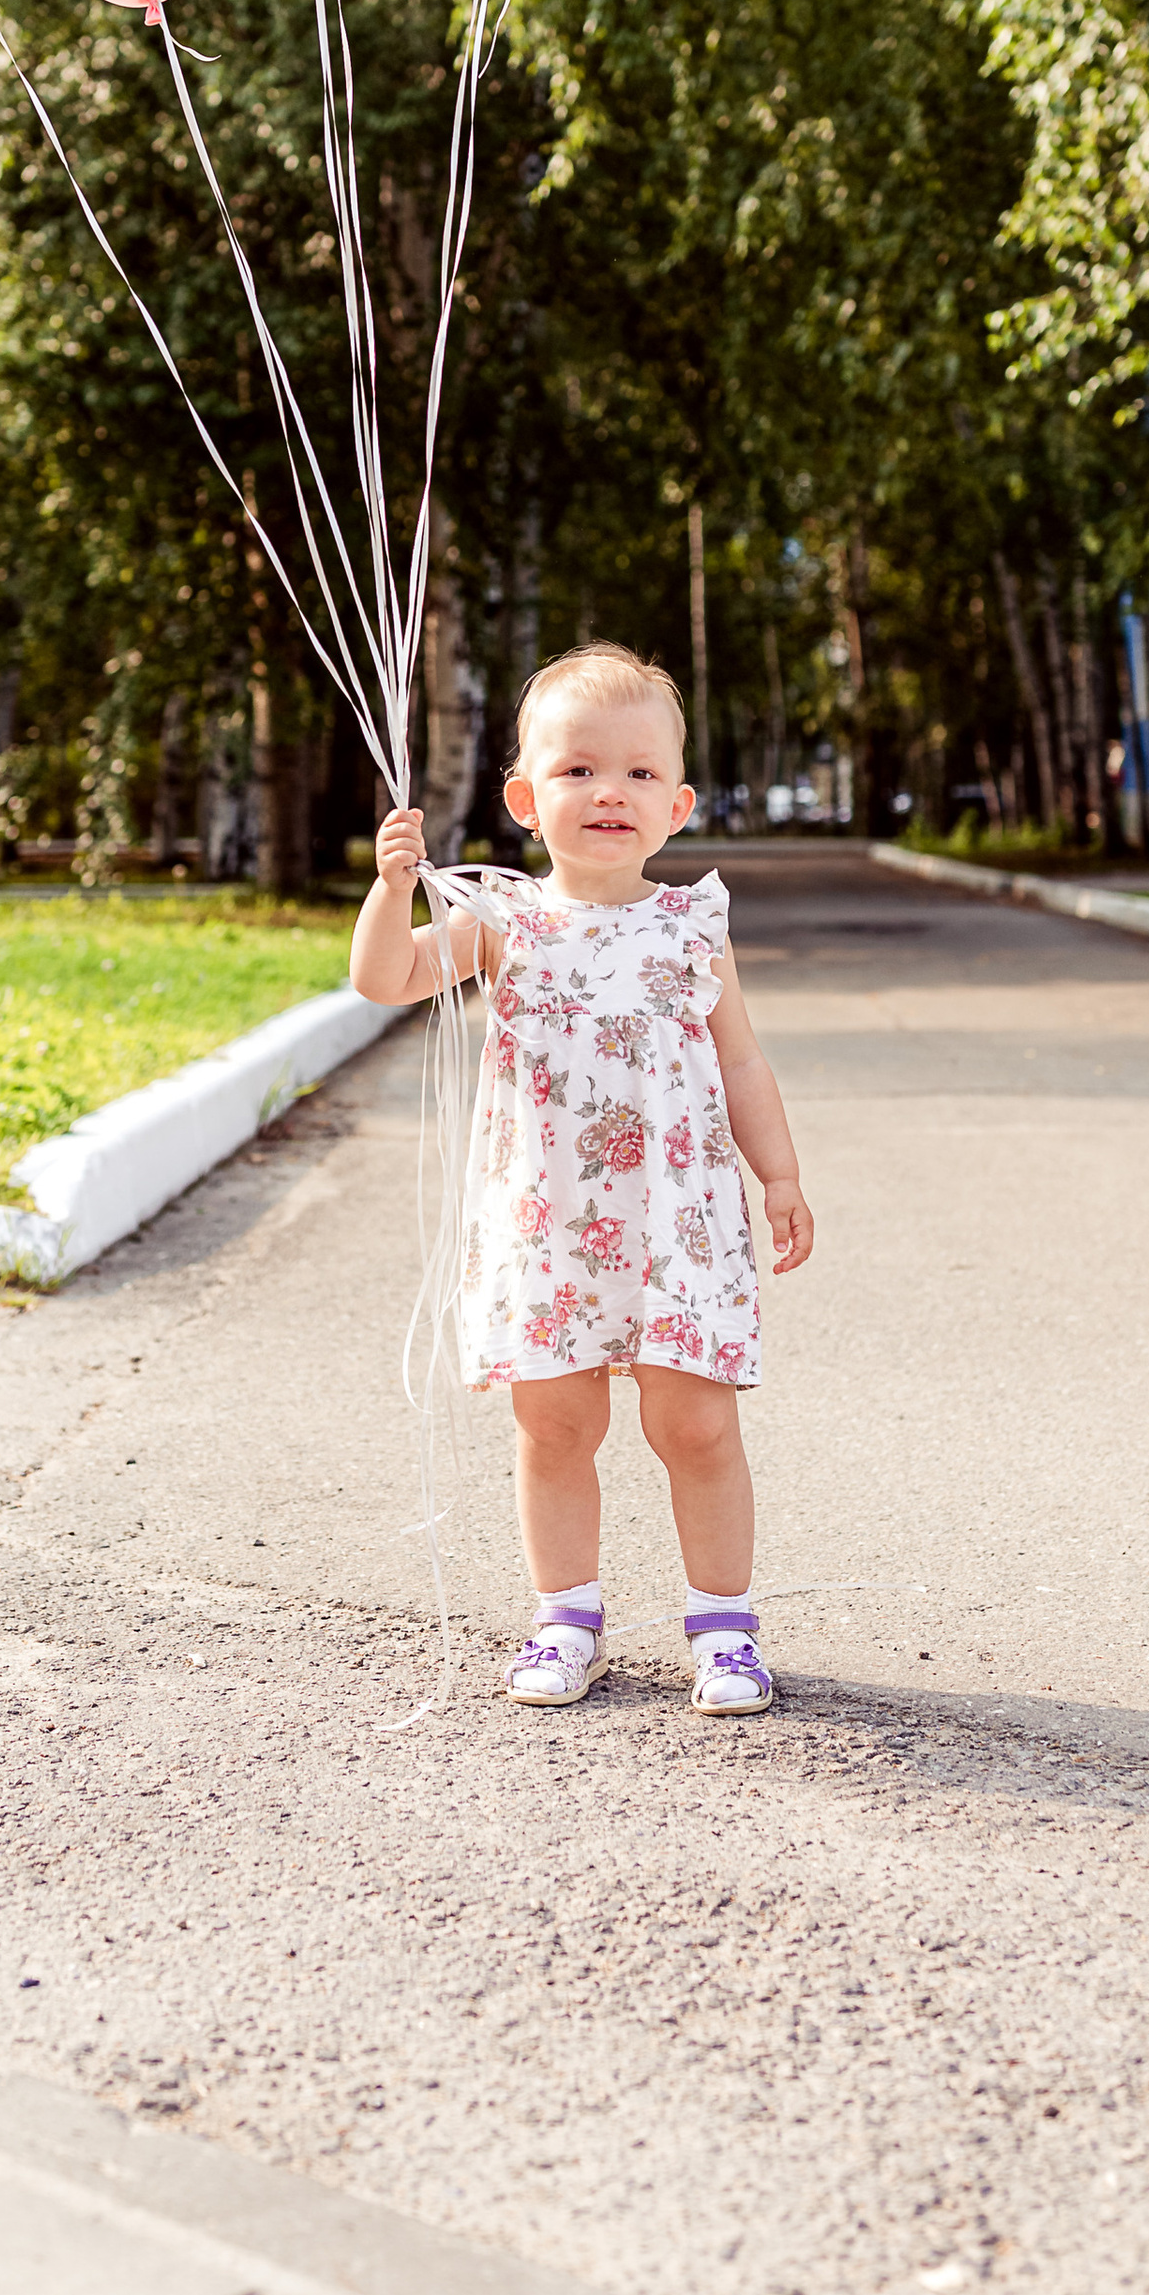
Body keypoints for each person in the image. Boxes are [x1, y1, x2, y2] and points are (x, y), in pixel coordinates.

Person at [349, 640, 814, 1717]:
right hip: (548, 1225)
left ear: (680, 803)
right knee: (554, 1424)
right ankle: (566, 1616)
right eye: (576, 770)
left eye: (640, 773)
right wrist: (388, 891)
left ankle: (724, 1628)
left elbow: (739, 1058)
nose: (610, 791)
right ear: (523, 797)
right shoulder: (501, 918)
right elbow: (384, 979)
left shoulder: (694, 923)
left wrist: (778, 1174)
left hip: (678, 1224)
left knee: (694, 1424)